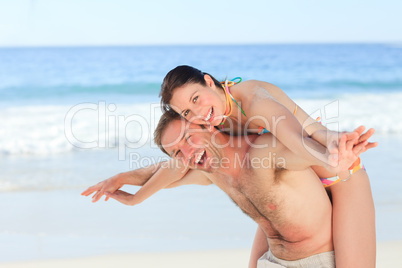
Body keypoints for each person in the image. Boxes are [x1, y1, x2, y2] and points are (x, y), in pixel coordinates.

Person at [83, 65, 377, 267]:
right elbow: (176, 165)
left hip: (339, 173)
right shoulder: (207, 130)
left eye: (196, 98)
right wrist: (130, 189)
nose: (198, 112)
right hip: (287, 177)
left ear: (209, 81)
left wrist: (333, 151)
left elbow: (300, 136)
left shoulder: (254, 100)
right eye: (188, 111)